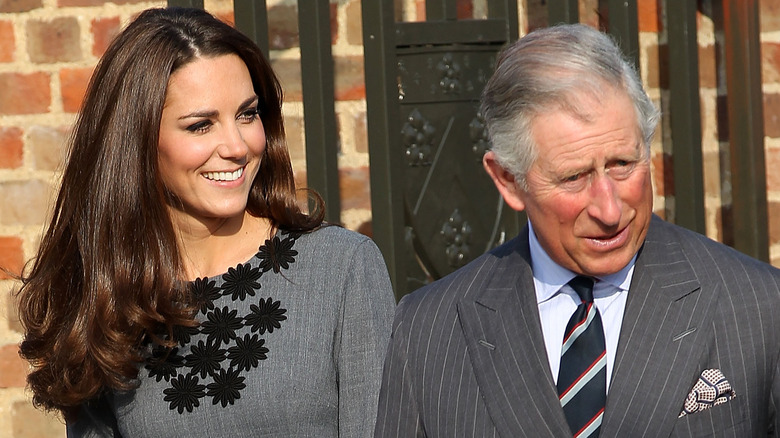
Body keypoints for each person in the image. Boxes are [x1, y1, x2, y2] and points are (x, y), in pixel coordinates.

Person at [374, 23, 780, 437]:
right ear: (509, 181)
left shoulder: (758, 307)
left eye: (622, 164)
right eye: (573, 177)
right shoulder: (427, 334)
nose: (609, 208)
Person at [15, 7, 395, 437]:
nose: (236, 146)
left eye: (247, 114)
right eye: (200, 126)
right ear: (137, 143)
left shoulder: (341, 269)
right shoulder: (109, 294)